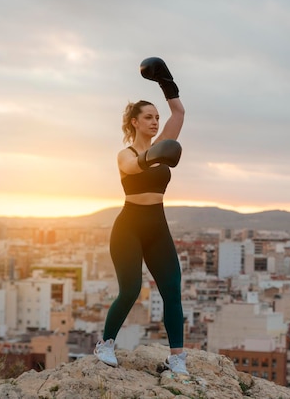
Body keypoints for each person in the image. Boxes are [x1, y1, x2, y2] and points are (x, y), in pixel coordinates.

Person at [94, 57, 188, 375]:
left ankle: (177, 358)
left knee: (172, 289)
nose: (155, 122)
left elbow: (179, 113)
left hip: (157, 226)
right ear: (134, 121)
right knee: (131, 289)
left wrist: (166, 83)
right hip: (129, 226)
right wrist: (157, 153)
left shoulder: (161, 143)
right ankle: (105, 344)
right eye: (148, 117)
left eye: (156, 118)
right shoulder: (127, 154)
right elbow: (135, 167)